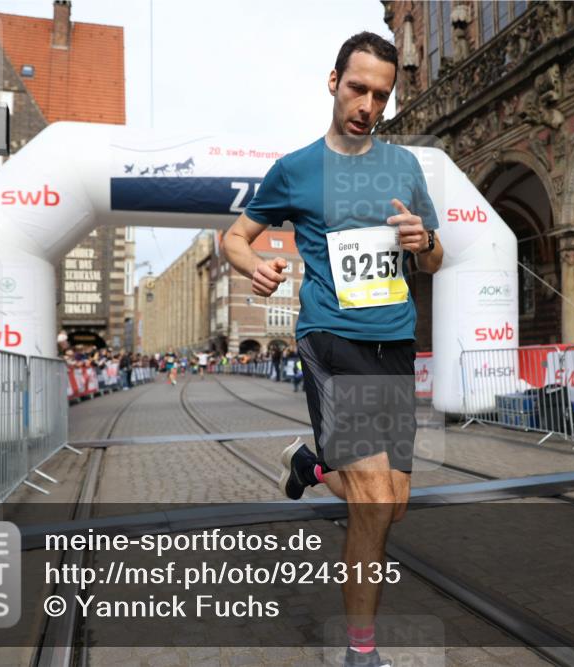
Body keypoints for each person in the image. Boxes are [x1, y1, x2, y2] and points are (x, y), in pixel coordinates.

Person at [223, 32, 442, 667]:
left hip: (394, 338)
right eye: (357, 88)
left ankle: (312, 467)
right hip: (330, 335)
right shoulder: (296, 168)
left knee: (392, 506)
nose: (367, 104)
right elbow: (235, 238)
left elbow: (434, 255)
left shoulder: (404, 165)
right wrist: (252, 267)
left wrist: (422, 238)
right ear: (333, 81)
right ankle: (361, 652)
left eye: (381, 94)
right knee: (372, 498)